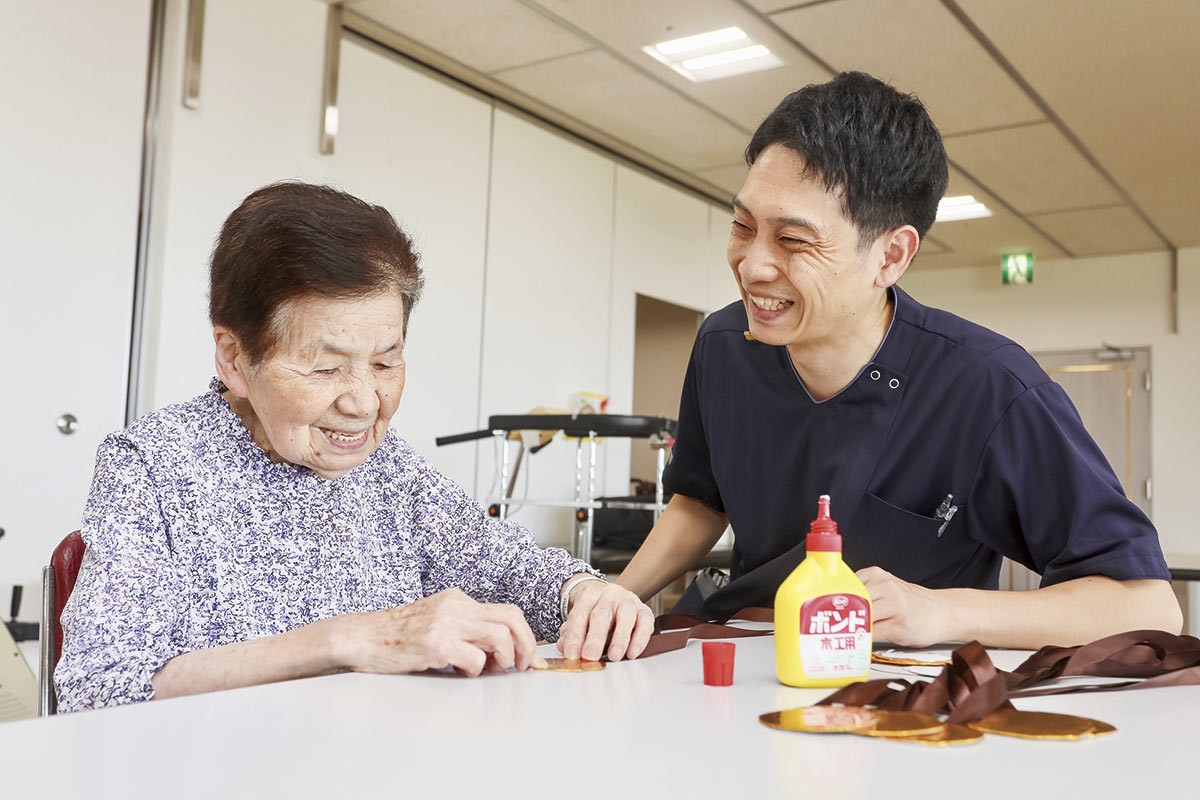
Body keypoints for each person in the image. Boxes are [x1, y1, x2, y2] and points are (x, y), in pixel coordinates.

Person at [616, 71, 1182, 649]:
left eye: (792, 240)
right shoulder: (725, 344)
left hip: (893, 688)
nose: (752, 265)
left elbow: (1147, 604)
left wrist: (943, 612)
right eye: (742, 226)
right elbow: (700, 500)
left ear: (890, 255)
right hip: (745, 653)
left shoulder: (989, 388)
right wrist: (621, 594)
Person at [56, 182, 653, 712]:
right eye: (326, 368)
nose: (365, 404)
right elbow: (99, 687)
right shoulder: (155, 466)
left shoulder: (389, 468)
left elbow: (505, 566)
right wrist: (346, 640)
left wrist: (587, 593)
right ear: (235, 358)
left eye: (386, 362)